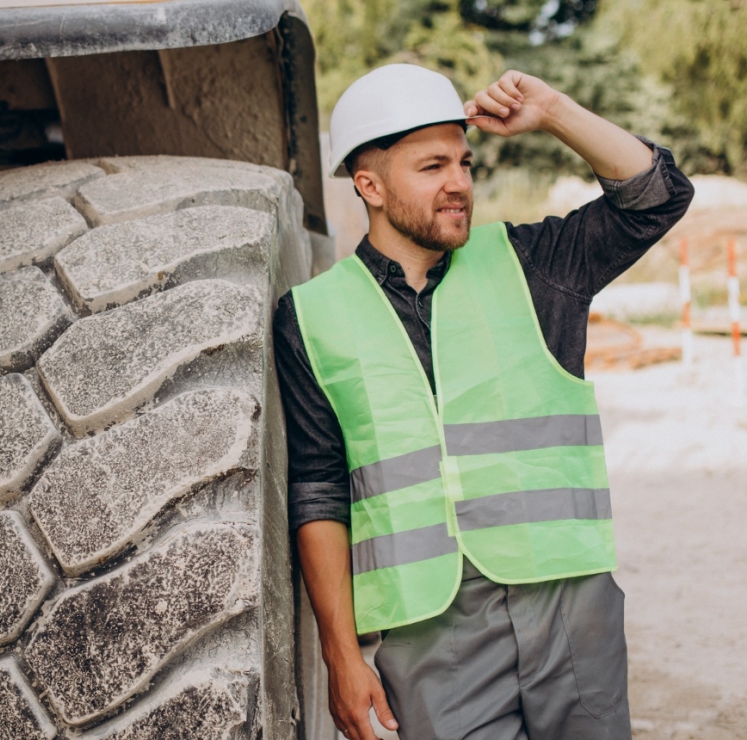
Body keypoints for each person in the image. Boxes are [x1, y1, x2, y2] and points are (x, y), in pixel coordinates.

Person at [275, 64, 693, 740]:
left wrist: (554, 110)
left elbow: (657, 196)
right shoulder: (311, 317)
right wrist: (341, 654)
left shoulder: (534, 266)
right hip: (429, 630)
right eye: (432, 165)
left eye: (464, 164)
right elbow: (318, 491)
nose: (458, 184)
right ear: (369, 185)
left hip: (567, 602)